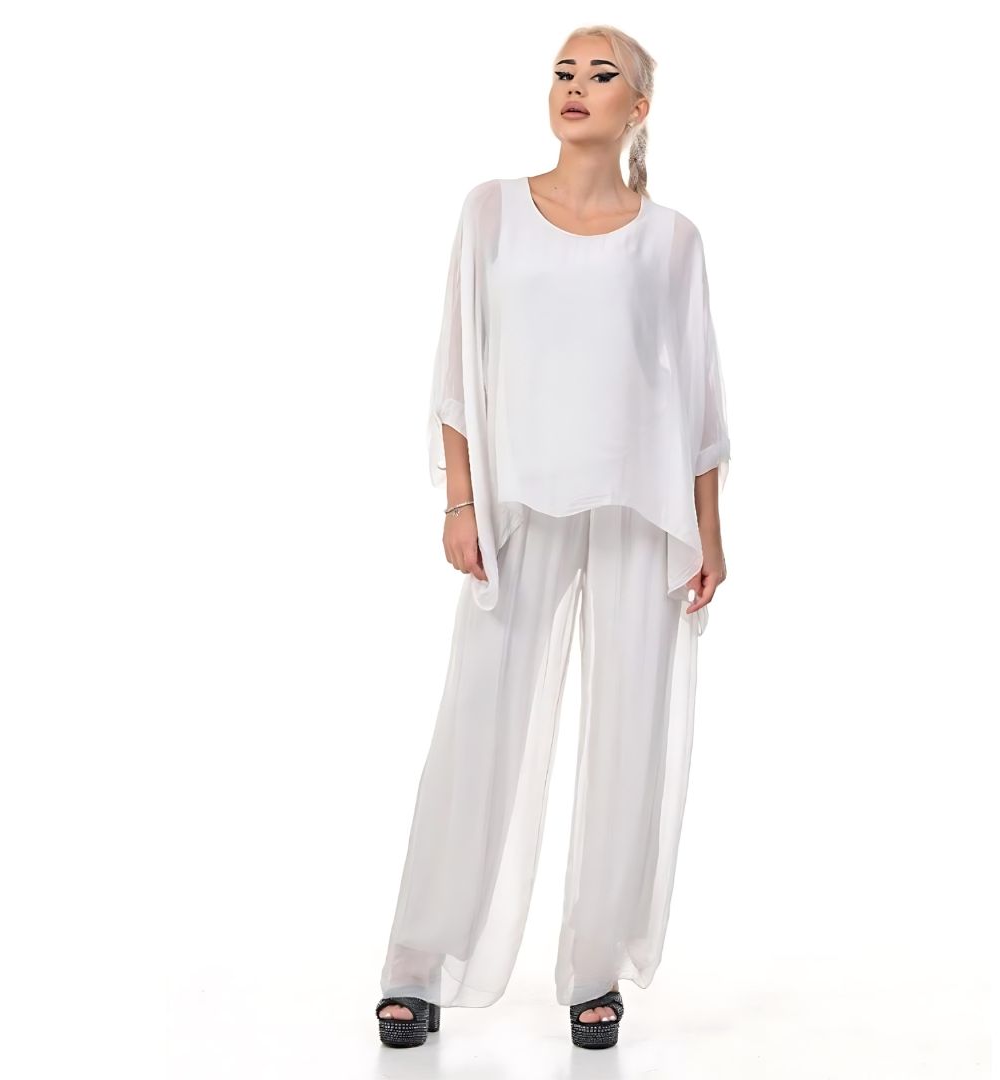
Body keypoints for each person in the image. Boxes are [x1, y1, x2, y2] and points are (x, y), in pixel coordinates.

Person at [375, 24, 730, 1051]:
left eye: (601, 74)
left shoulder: (672, 241)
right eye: (564, 72)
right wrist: (460, 501)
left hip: (638, 510)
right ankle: (419, 964)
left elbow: (699, 396)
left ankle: (594, 972)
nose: (575, 86)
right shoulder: (490, 211)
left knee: (627, 739)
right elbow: (460, 359)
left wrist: (709, 533)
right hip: (519, 504)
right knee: (479, 727)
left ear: (639, 106)